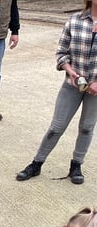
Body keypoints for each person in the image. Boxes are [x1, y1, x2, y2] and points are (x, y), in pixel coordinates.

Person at [16, 1, 97, 185]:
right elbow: (61, 53)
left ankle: (76, 165)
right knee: (56, 127)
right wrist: (70, 71)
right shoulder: (74, 21)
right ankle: (37, 163)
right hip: (72, 84)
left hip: (95, 90)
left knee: (87, 127)